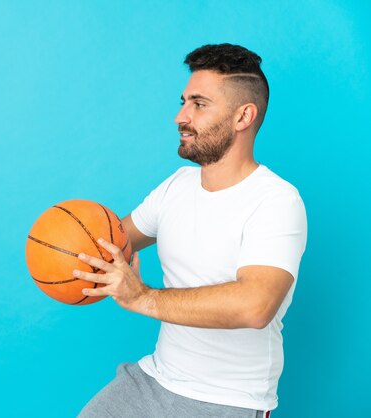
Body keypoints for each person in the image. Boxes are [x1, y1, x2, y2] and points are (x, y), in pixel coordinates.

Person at [75, 44, 307, 418]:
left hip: (229, 399)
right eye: (184, 102)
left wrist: (142, 297)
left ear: (242, 116)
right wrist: (63, 250)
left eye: (199, 104)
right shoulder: (177, 186)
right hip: (154, 379)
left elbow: (256, 305)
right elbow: (108, 243)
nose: (180, 117)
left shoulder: (277, 200)